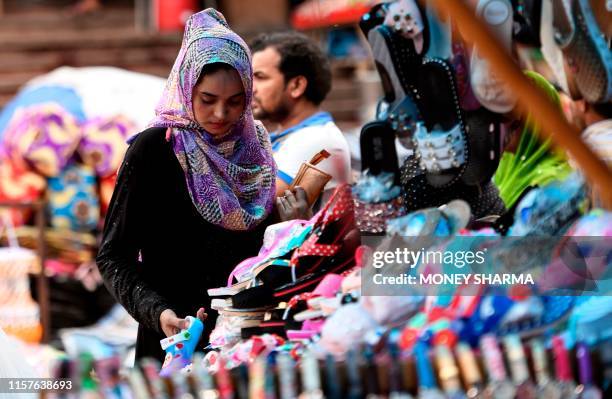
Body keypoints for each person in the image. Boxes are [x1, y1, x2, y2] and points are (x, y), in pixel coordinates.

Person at [96, 9, 308, 362]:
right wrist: (159, 314)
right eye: (207, 100)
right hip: (175, 341)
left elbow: (261, 257)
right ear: (186, 87)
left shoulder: (255, 147)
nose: (221, 115)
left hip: (248, 342)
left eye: (235, 101)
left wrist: (293, 228)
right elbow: (113, 256)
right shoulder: (155, 148)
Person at [250, 31, 352, 200]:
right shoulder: (289, 135)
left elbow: (253, 208)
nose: (251, 88)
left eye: (260, 77)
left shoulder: (316, 139)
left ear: (296, 85)